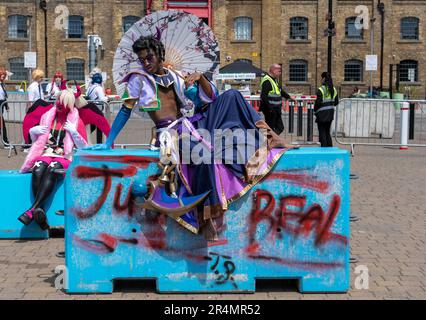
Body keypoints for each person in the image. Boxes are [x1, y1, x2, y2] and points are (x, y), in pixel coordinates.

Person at [88, 36, 294, 240]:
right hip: (170, 134)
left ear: (160, 55)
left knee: (233, 96)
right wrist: (108, 142)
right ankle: (206, 218)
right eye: (142, 59)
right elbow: (125, 111)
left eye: (149, 57)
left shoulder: (175, 75)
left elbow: (208, 99)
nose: (145, 63)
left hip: (193, 124)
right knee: (203, 156)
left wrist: (201, 78)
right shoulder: (138, 79)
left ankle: (271, 137)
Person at [18, 89, 89, 230]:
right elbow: (36, 141)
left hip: (64, 156)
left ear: (69, 104)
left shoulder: (76, 121)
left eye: (62, 102)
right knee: (38, 168)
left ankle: (32, 210)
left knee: (53, 169)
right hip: (46, 153)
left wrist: (74, 133)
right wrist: (33, 131)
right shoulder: (47, 117)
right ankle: (39, 211)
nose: (59, 104)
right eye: (58, 101)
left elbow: (84, 146)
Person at [260, 64, 294, 135]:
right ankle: (268, 142)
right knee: (271, 128)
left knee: (279, 127)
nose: (280, 73)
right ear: (273, 70)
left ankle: (271, 140)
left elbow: (280, 91)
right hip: (270, 110)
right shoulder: (267, 81)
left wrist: (289, 97)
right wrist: (270, 109)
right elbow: (264, 96)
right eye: (279, 71)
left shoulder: (274, 80)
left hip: (276, 109)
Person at [314, 72, 339, 147]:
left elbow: (318, 103)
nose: (321, 80)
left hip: (322, 114)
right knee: (327, 132)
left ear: (324, 79)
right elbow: (336, 102)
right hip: (330, 114)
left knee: (322, 132)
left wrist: (315, 110)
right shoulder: (334, 89)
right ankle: (330, 149)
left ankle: (324, 149)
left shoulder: (321, 89)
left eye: (321, 78)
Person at [0, 67, 9, 146]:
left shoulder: (2, 85)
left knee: (1, 125)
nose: (3, 76)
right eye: (2, 75)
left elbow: (4, 96)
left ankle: (5, 142)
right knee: (2, 126)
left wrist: (6, 106)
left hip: (1, 106)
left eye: (4, 75)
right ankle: (6, 142)